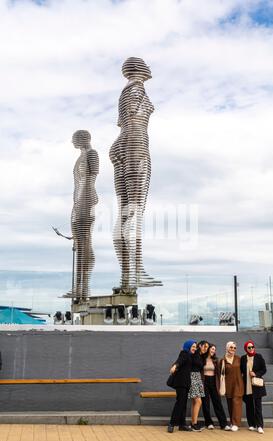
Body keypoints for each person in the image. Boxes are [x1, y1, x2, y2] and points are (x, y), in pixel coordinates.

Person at [109, 57, 162, 290]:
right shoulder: (137, 88)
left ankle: (127, 274)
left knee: (124, 213)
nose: (150, 67)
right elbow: (133, 118)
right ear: (139, 68)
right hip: (135, 141)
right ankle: (136, 271)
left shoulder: (125, 91)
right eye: (145, 63)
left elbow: (124, 120)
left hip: (121, 142)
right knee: (136, 212)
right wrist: (135, 146)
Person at [71, 130, 99, 301]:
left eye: (74, 139)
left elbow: (91, 179)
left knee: (85, 242)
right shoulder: (80, 157)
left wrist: (83, 202)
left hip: (86, 201)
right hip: (78, 203)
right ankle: (78, 288)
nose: (72, 142)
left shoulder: (92, 154)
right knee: (79, 244)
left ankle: (84, 286)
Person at [167, 339, 197, 433]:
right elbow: (179, 360)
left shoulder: (190, 355)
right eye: (193, 347)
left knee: (183, 404)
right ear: (188, 347)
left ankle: (182, 424)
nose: (194, 349)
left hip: (185, 383)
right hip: (181, 383)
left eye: (195, 347)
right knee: (180, 403)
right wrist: (175, 366)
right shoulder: (184, 353)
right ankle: (171, 424)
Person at [202, 344, 230, 431]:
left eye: (214, 349)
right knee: (205, 403)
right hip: (204, 381)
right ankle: (209, 423)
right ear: (208, 349)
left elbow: (220, 372)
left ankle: (224, 424)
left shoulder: (216, 360)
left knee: (217, 402)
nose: (213, 351)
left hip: (214, 382)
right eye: (212, 349)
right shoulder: (202, 359)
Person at [241, 340, 267, 434]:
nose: (251, 349)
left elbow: (264, 369)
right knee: (249, 406)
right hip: (247, 385)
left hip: (257, 385)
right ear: (246, 349)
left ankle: (259, 426)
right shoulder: (243, 358)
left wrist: (256, 373)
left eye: (252, 347)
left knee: (258, 406)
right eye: (249, 347)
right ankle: (251, 424)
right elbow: (241, 370)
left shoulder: (258, 357)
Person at [220, 341, 244, 431]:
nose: (233, 349)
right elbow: (220, 374)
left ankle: (235, 424)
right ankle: (232, 422)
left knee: (236, 403)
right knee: (230, 404)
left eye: (234, 348)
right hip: (228, 385)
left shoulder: (239, 359)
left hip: (238, 384)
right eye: (231, 347)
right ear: (227, 348)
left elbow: (244, 371)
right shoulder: (222, 360)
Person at [188, 341, 207, 431]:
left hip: (197, 378)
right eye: (204, 346)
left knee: (194, 402)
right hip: (192, 377)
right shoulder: (194, 353)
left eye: (207, 347)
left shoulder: (201, 356)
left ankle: (193, 422)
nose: (205, 349)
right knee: (198, 401)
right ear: (200, 345)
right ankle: (194, 424)